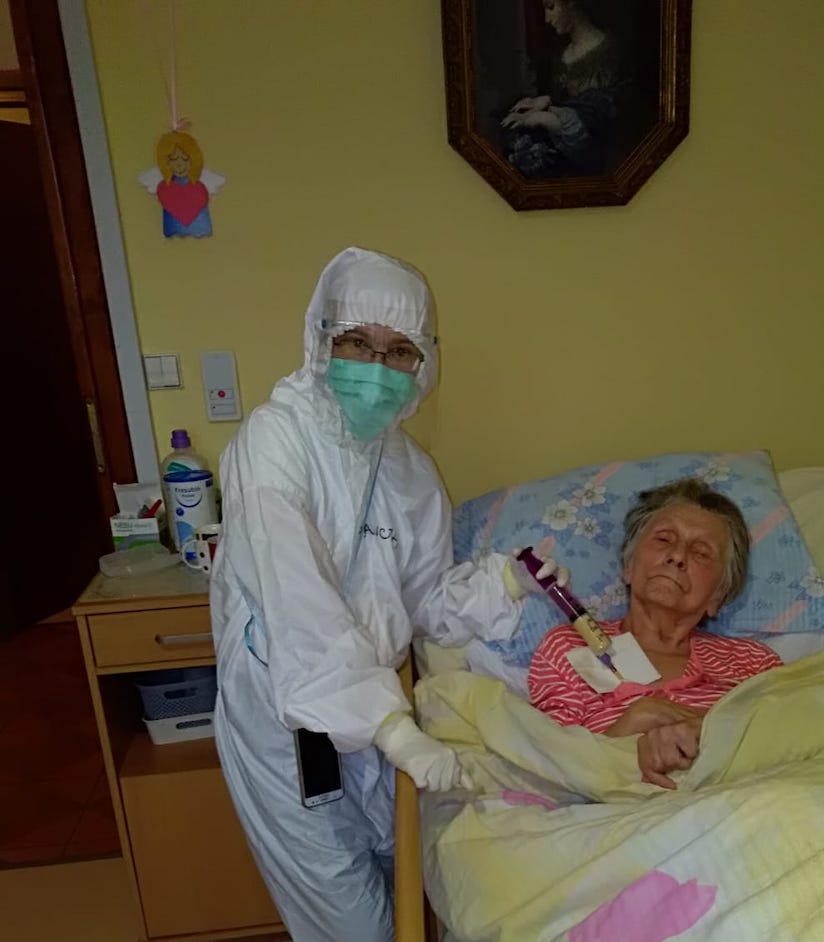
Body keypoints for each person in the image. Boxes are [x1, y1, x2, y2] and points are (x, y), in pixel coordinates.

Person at [210, 247, 563, 942]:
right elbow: (294, 596)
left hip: (373, 717)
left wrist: (501, 582)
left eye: (398, 351)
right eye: (356, 344)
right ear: (321, 341)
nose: (376, 369)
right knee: (350, 923)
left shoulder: (411, 472)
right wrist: (393, 728)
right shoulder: (273, 442)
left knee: (396, 886)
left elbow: (423, 599)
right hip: (287, 720)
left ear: (422, 365)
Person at [528, 478, 783, 789]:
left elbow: (791, 735)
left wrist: (700, 727)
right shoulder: (569, 646)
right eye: (664, 539)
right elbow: (547, 773)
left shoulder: (752, 662)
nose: (677, 556)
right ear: (629, 566)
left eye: (701, 552)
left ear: (718, 595)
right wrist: (631, 728)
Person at [501, 0, 635, 177]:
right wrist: (547, 100)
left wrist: (543, 117)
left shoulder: (610, 55)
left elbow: (602, 120)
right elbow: (573, 102)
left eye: (551, 7)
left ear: (573, 4)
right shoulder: (563, 54)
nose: (547, 19)